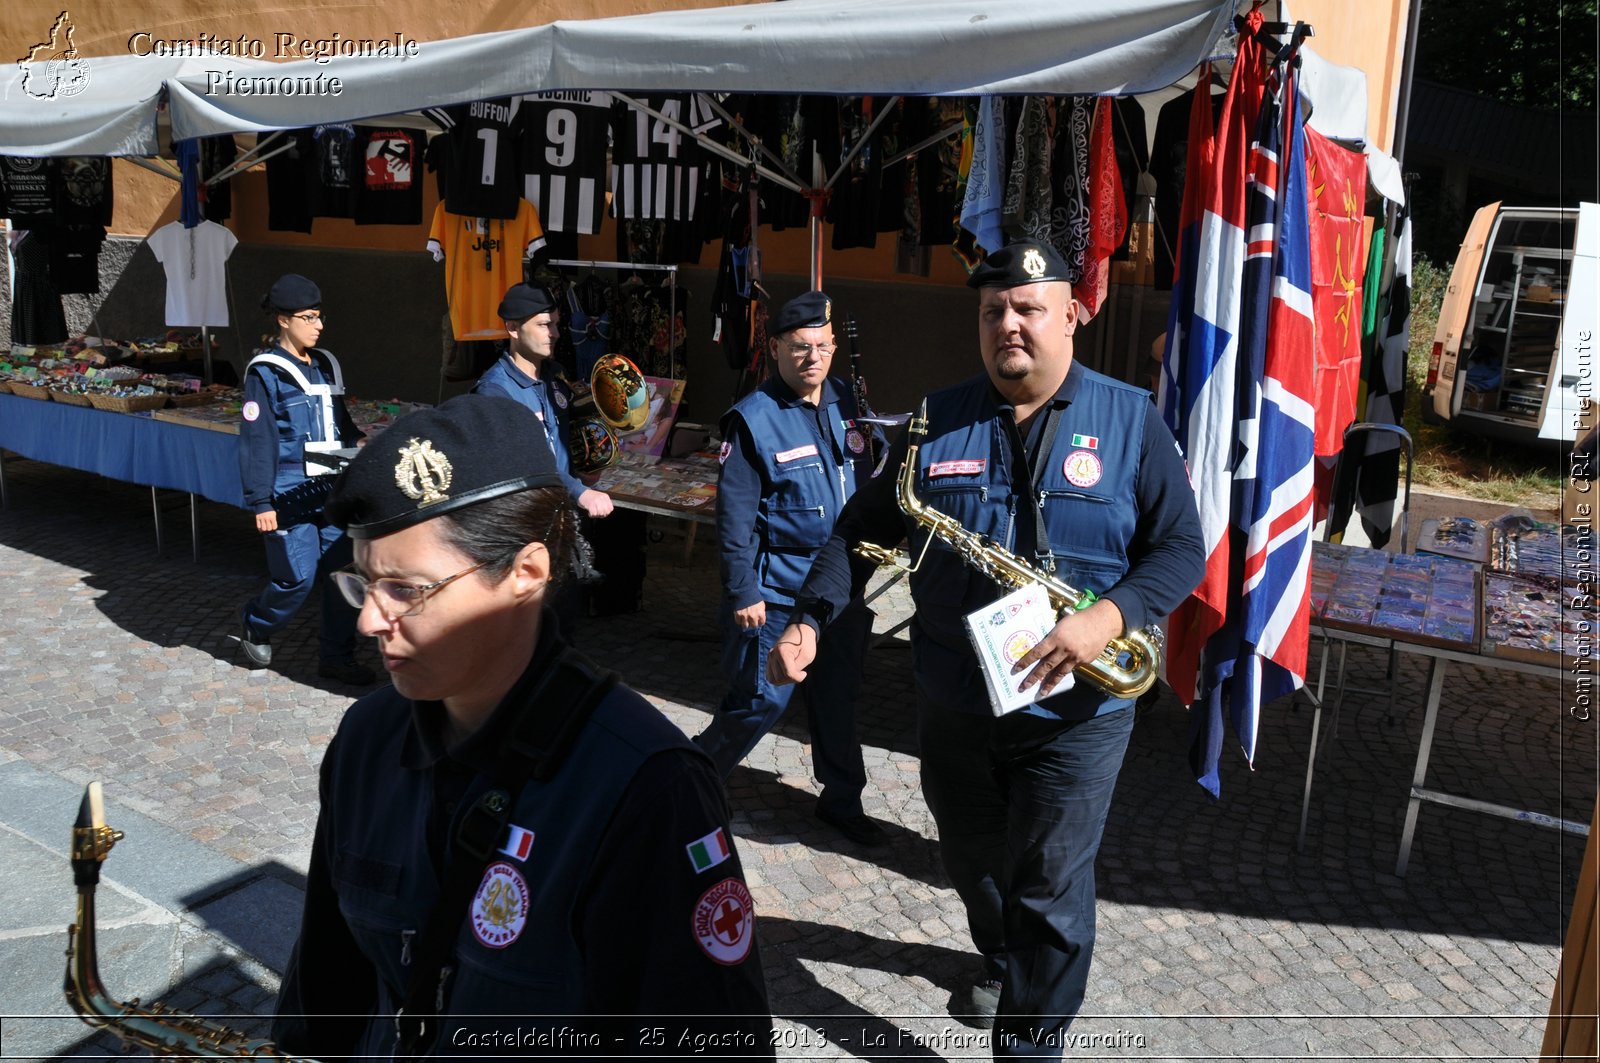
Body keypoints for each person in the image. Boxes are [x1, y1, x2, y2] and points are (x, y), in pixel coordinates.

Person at [768, 240, 1204, 1056]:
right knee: (973, 859)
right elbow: (859, 531)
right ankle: (1000, 954)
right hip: (956, 701)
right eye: (993, 309)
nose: (1009, 322)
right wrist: (808, 616)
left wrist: (1106, 618)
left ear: (1071, 314)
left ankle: (1027, 1044)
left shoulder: (1133, 420)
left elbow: (1181, 549)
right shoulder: (935, 419)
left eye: (1028, 306)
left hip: (1075, 711)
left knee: (1051, 886)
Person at [272, 394, 773, 1059]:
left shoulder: (648, 790)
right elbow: (327, 998)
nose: (368, 620)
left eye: (404, 589)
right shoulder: (365, 742)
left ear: (526, 573)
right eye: (362, 582)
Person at [694, 291, 887, 847]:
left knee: (837, 699)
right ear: (776, 347)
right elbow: (734, 521)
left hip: (840, 590)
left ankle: (843, 801)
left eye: (822, 347)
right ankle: (694, 781)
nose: (813, 358)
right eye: (800, 348)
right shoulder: (753, 420)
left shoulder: (848, 400)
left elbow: (864, 476)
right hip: (777, 594)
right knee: (759, 701)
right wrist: (742, 591)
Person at [238, 273, 373, 685]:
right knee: (296, 577)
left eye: (319, 316)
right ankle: (257, 623)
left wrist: (359, 441)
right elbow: (257, 440)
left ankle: (337, 657)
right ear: (284, 320)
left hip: (332, 484)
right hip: (288, 491)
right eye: (309, 317)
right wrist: (260, 501)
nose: (319, 325)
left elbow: (340, 421)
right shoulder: (266, 373)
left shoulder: (326, 364)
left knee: (345, 572)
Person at [473, 282, 613, 519]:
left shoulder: (556, 375)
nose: (555, 333)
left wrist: (584, 471)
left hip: (560, 512)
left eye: (556, 324)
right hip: (524, 519)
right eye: (544, 325)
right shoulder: (495, 391)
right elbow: (521, 461)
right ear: (513, 328)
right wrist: (579, 491)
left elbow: (562, 442)